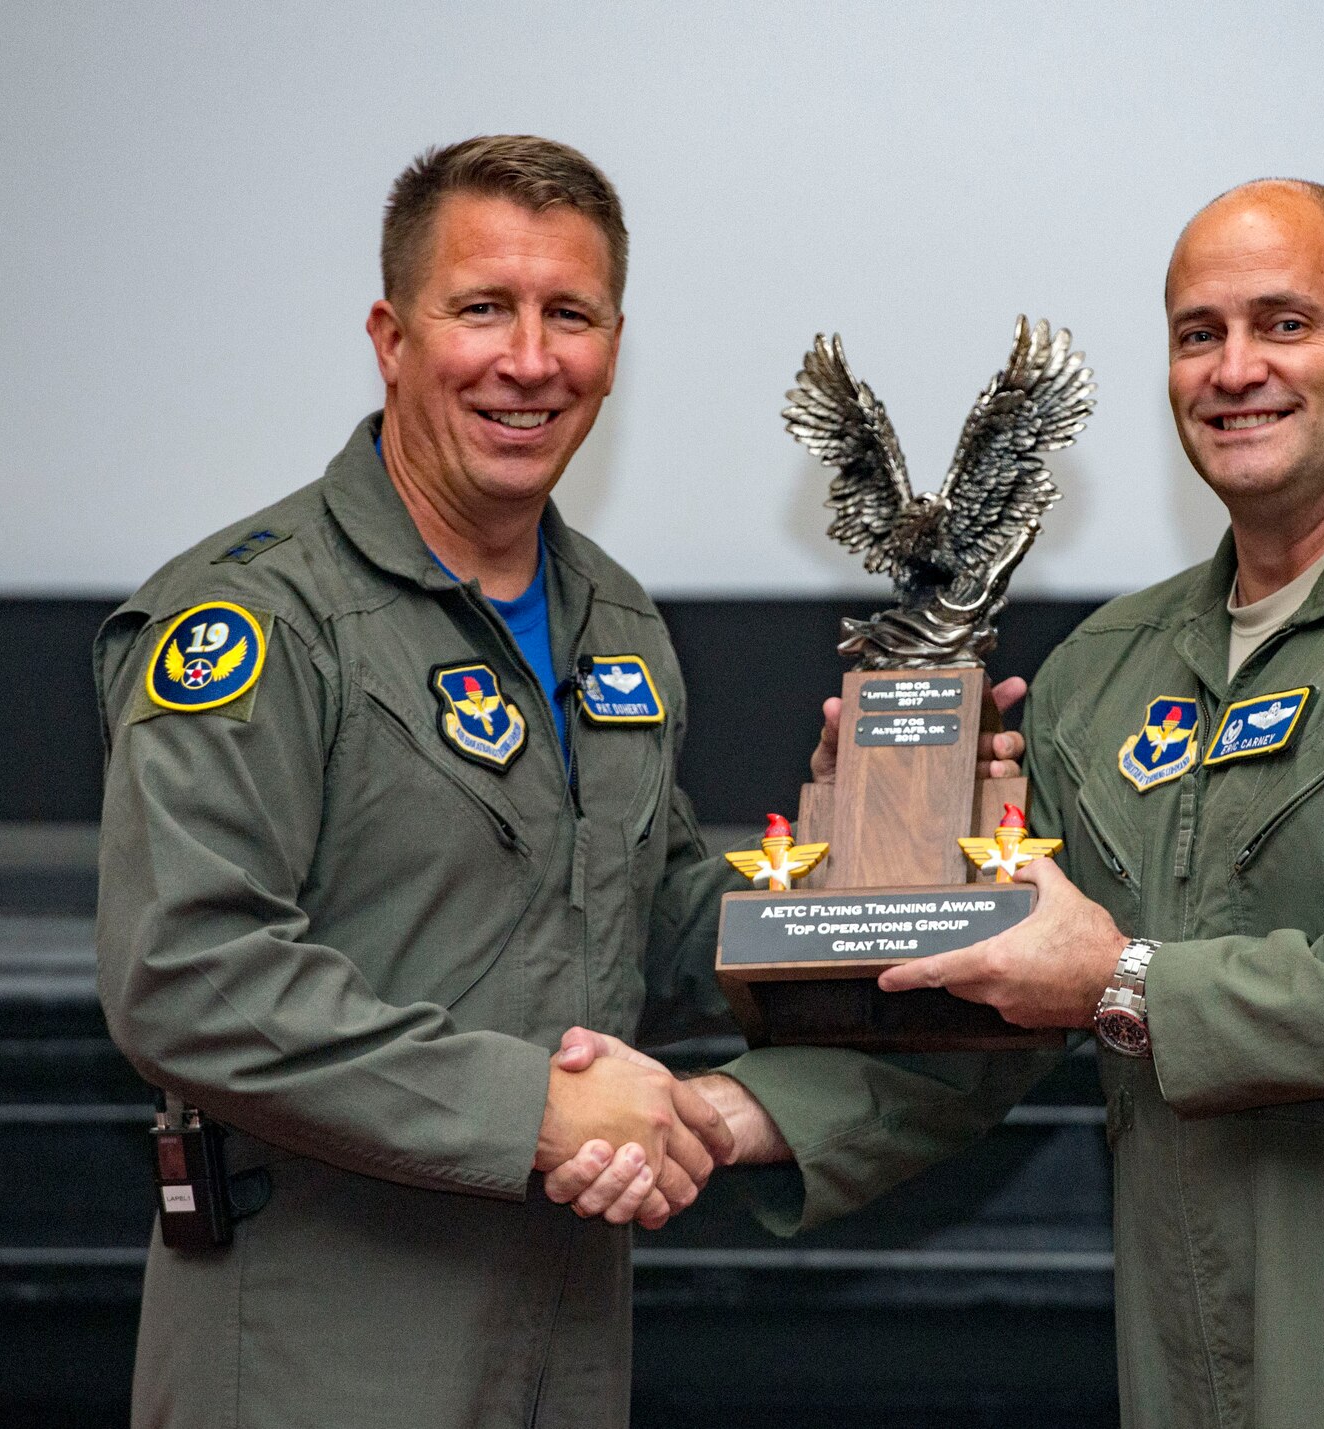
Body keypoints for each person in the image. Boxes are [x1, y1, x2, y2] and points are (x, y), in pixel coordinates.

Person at [645, 180, 1324, 1428]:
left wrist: (1118, 979)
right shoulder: (1107, 675)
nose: (1234, 369)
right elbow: (979, 1024)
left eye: (1282, 324)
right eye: (1198, 333)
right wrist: (715, 1111)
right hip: (1190, 1363)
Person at [92, 134, 1032, 1429]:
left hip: (567, 1333)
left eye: (569, 316)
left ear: (613, 346)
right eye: (482, 307)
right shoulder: (253, 617)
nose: (529, 359)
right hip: (322, 1342)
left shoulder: (617, 621)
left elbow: (653, 922)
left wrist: (863, 852)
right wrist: (535, 1106)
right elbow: (189, 975)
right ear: (391, 334)